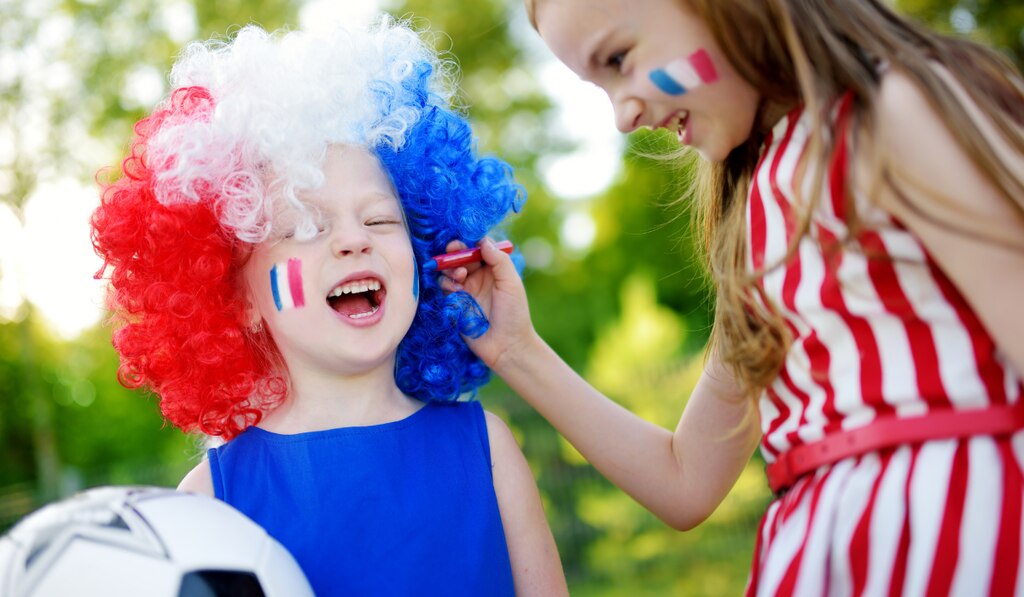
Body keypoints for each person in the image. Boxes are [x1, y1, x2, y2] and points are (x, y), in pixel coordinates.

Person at [441, 0, 1024, 594]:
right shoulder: (753, 224)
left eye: (619, 59)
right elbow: (686, 478)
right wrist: (515, 349)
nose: (621, 116)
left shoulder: (896, 113)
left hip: (956, 540)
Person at [90, 19, 568, 596]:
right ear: (236, 297)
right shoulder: (208, 503)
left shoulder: (486, 447)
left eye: (379, 220)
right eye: (307, 225)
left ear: (424, 258)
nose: (353, 240)